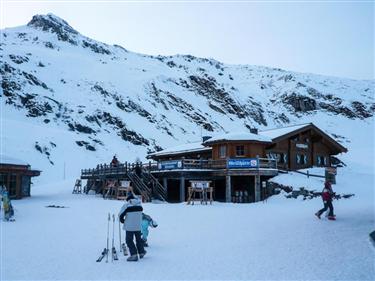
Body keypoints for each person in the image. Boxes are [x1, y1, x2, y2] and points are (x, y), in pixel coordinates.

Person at [119, 189, 146, 261]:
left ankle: (134, 255)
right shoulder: (140, 205)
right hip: (138, 225)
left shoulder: (127, 205)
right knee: (138, 239)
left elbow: (120, 215)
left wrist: (122, 221)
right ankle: (141, 252)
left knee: (129, 240)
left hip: (129, 226)